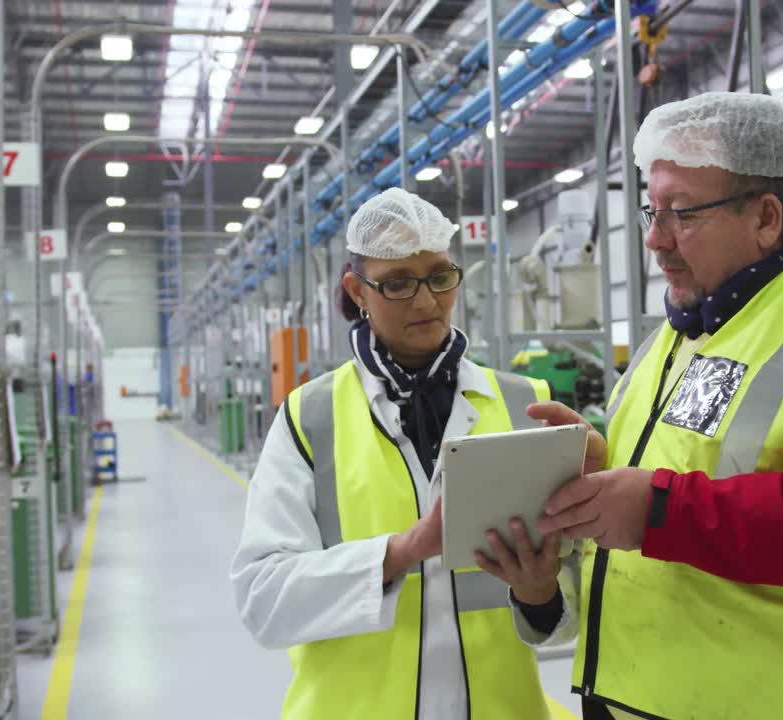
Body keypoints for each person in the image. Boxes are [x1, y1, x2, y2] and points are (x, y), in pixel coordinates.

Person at [481, 91, 783, 719]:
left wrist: (656, 509)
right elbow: (685, 475)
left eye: (682, 213)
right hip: (628, 699)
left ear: (766, 217)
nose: (654, 239)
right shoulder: (678, 335)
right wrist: (600, 469)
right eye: (651, 211)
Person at [230, 187, 561, 719]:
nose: (427, 302)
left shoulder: (526, 403)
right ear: (357, 290)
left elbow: (573, 604)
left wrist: (540, 594)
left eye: (440, 277)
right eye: (399, 283)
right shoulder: (310, 417)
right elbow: (263, 600)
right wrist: (400, 552)